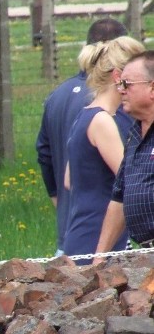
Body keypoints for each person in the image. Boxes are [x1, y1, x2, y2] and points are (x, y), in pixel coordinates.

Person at [36, 18, 128, 256]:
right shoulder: (111, 110)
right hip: (105, 238)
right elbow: (128, 179)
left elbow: (46, 156)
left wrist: (63, 203)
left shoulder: (57, 96)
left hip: (72, 228)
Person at [62, 36, 145, 264]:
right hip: (98, 237)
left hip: (81, 231)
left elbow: (69, 179)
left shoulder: (85, 115)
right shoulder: (102, 121)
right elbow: (131, 182)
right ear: (119, 76)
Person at [94, 51, 154, 263]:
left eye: (126, 84)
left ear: (152, 88)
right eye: (119, 84)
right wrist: (99, 258)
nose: (120, 91)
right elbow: (120, 197)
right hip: (143, 253)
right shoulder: (134, 134)